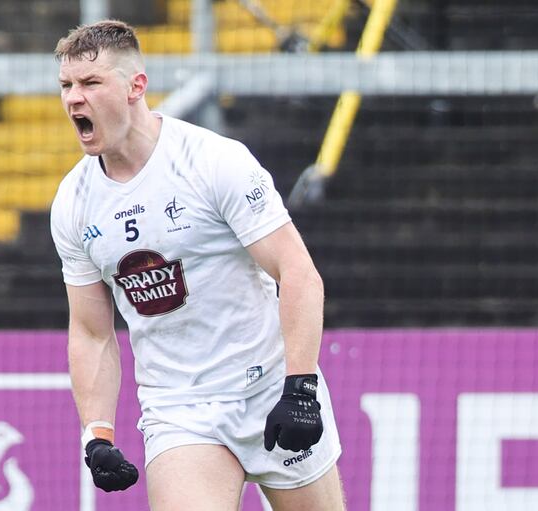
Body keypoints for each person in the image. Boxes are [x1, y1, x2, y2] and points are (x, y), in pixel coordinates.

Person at [50, 19, 345, 510]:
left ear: (135, 87)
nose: (74, 98)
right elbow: (91, 331)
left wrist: (300, 387)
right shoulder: (73, 202)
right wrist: (97, 433)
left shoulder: (213, 161)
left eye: (90, 82)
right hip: (179, 410)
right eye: (66, 85)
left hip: (270, 388)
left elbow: (297, 272)